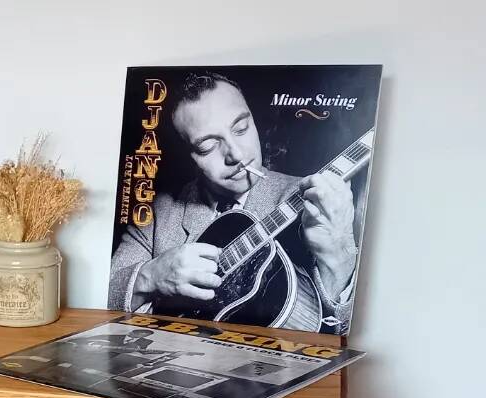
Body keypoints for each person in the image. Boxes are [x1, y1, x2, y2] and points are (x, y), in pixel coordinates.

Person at [108, 72, 360, 332]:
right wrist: (151, 277)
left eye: (241, 128)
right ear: (188, 155)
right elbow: (103, 291)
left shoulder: (323, 204)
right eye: (207, 147)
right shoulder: (161, 211)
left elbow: (341, 332)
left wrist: (339, 256)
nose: (236, 155)